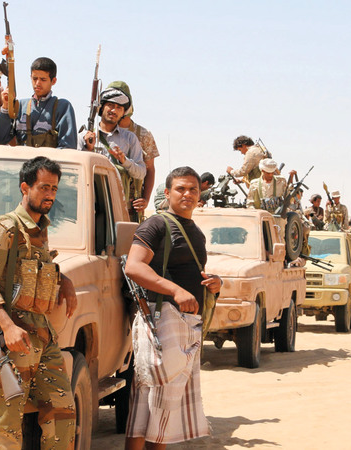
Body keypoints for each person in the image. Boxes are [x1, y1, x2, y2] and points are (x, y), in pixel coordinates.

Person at [0, 156, 78, 448]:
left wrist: (64, 280)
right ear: (25, 188)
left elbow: (35, 270)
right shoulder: (5, 228)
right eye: (44, 187)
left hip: (41, 334)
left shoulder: (39, 229)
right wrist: (7, 327)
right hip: (12, 336)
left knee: (62, 412)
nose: (50, 195)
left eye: (54, 189)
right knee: (6, 419)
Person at [124, 166, 221, 449]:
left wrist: (215, 282)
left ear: (200, 195)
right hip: (161, 321)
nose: (187, 194)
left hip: (185, 326)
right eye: (180, 189)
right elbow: (134, 266)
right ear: (167, 193)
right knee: (152, 406)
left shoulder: (196, 233)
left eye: (193, 189)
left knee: (160, 409)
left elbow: (190, 271)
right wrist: (176, 291)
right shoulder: (156, 225)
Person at [81, 86, 146, 221]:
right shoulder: (84, 136)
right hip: (89, 204)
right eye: (110, 105)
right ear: (101, 108)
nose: (114, 110)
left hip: (119, 207)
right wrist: (88, 150)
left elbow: (141, 172)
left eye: (119, 108)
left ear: (123, 113)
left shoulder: (130, 139)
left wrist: (124, 161)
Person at [0, 57, 78, 149]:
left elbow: (67, 147)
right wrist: (5, 107)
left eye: (43, 79)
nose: (37, 83)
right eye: (35, 78)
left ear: (53, 81)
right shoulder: (20, 106)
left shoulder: (62, 107)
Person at [109, 81, 161, 219]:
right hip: (104, 199)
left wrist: (146, 199)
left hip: (132, 205)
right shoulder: (99, 133)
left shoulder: (143, 135)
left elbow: (150, 169)